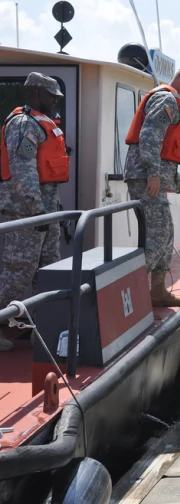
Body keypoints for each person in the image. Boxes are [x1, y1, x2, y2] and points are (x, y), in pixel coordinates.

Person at [124, 63, 180, 307]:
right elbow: (150, 134)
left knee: (166, 233)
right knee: (158, 234)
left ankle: (157, 290)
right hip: (147, 176)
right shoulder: (167, 100)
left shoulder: (172, 100)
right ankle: (128, 290)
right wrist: (153, 172)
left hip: (154, 176)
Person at [0, 72, 69, 351]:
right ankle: (2, 327)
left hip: (45, 213)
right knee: (18, 272)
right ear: (36, 94)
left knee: (48, 270)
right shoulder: (22, 124)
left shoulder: (45, 125)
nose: (55, 102)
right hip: (27, 214)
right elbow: (22, 171)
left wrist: (48, 213)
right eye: (52, 96)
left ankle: (43, 327)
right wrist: (37, 210)